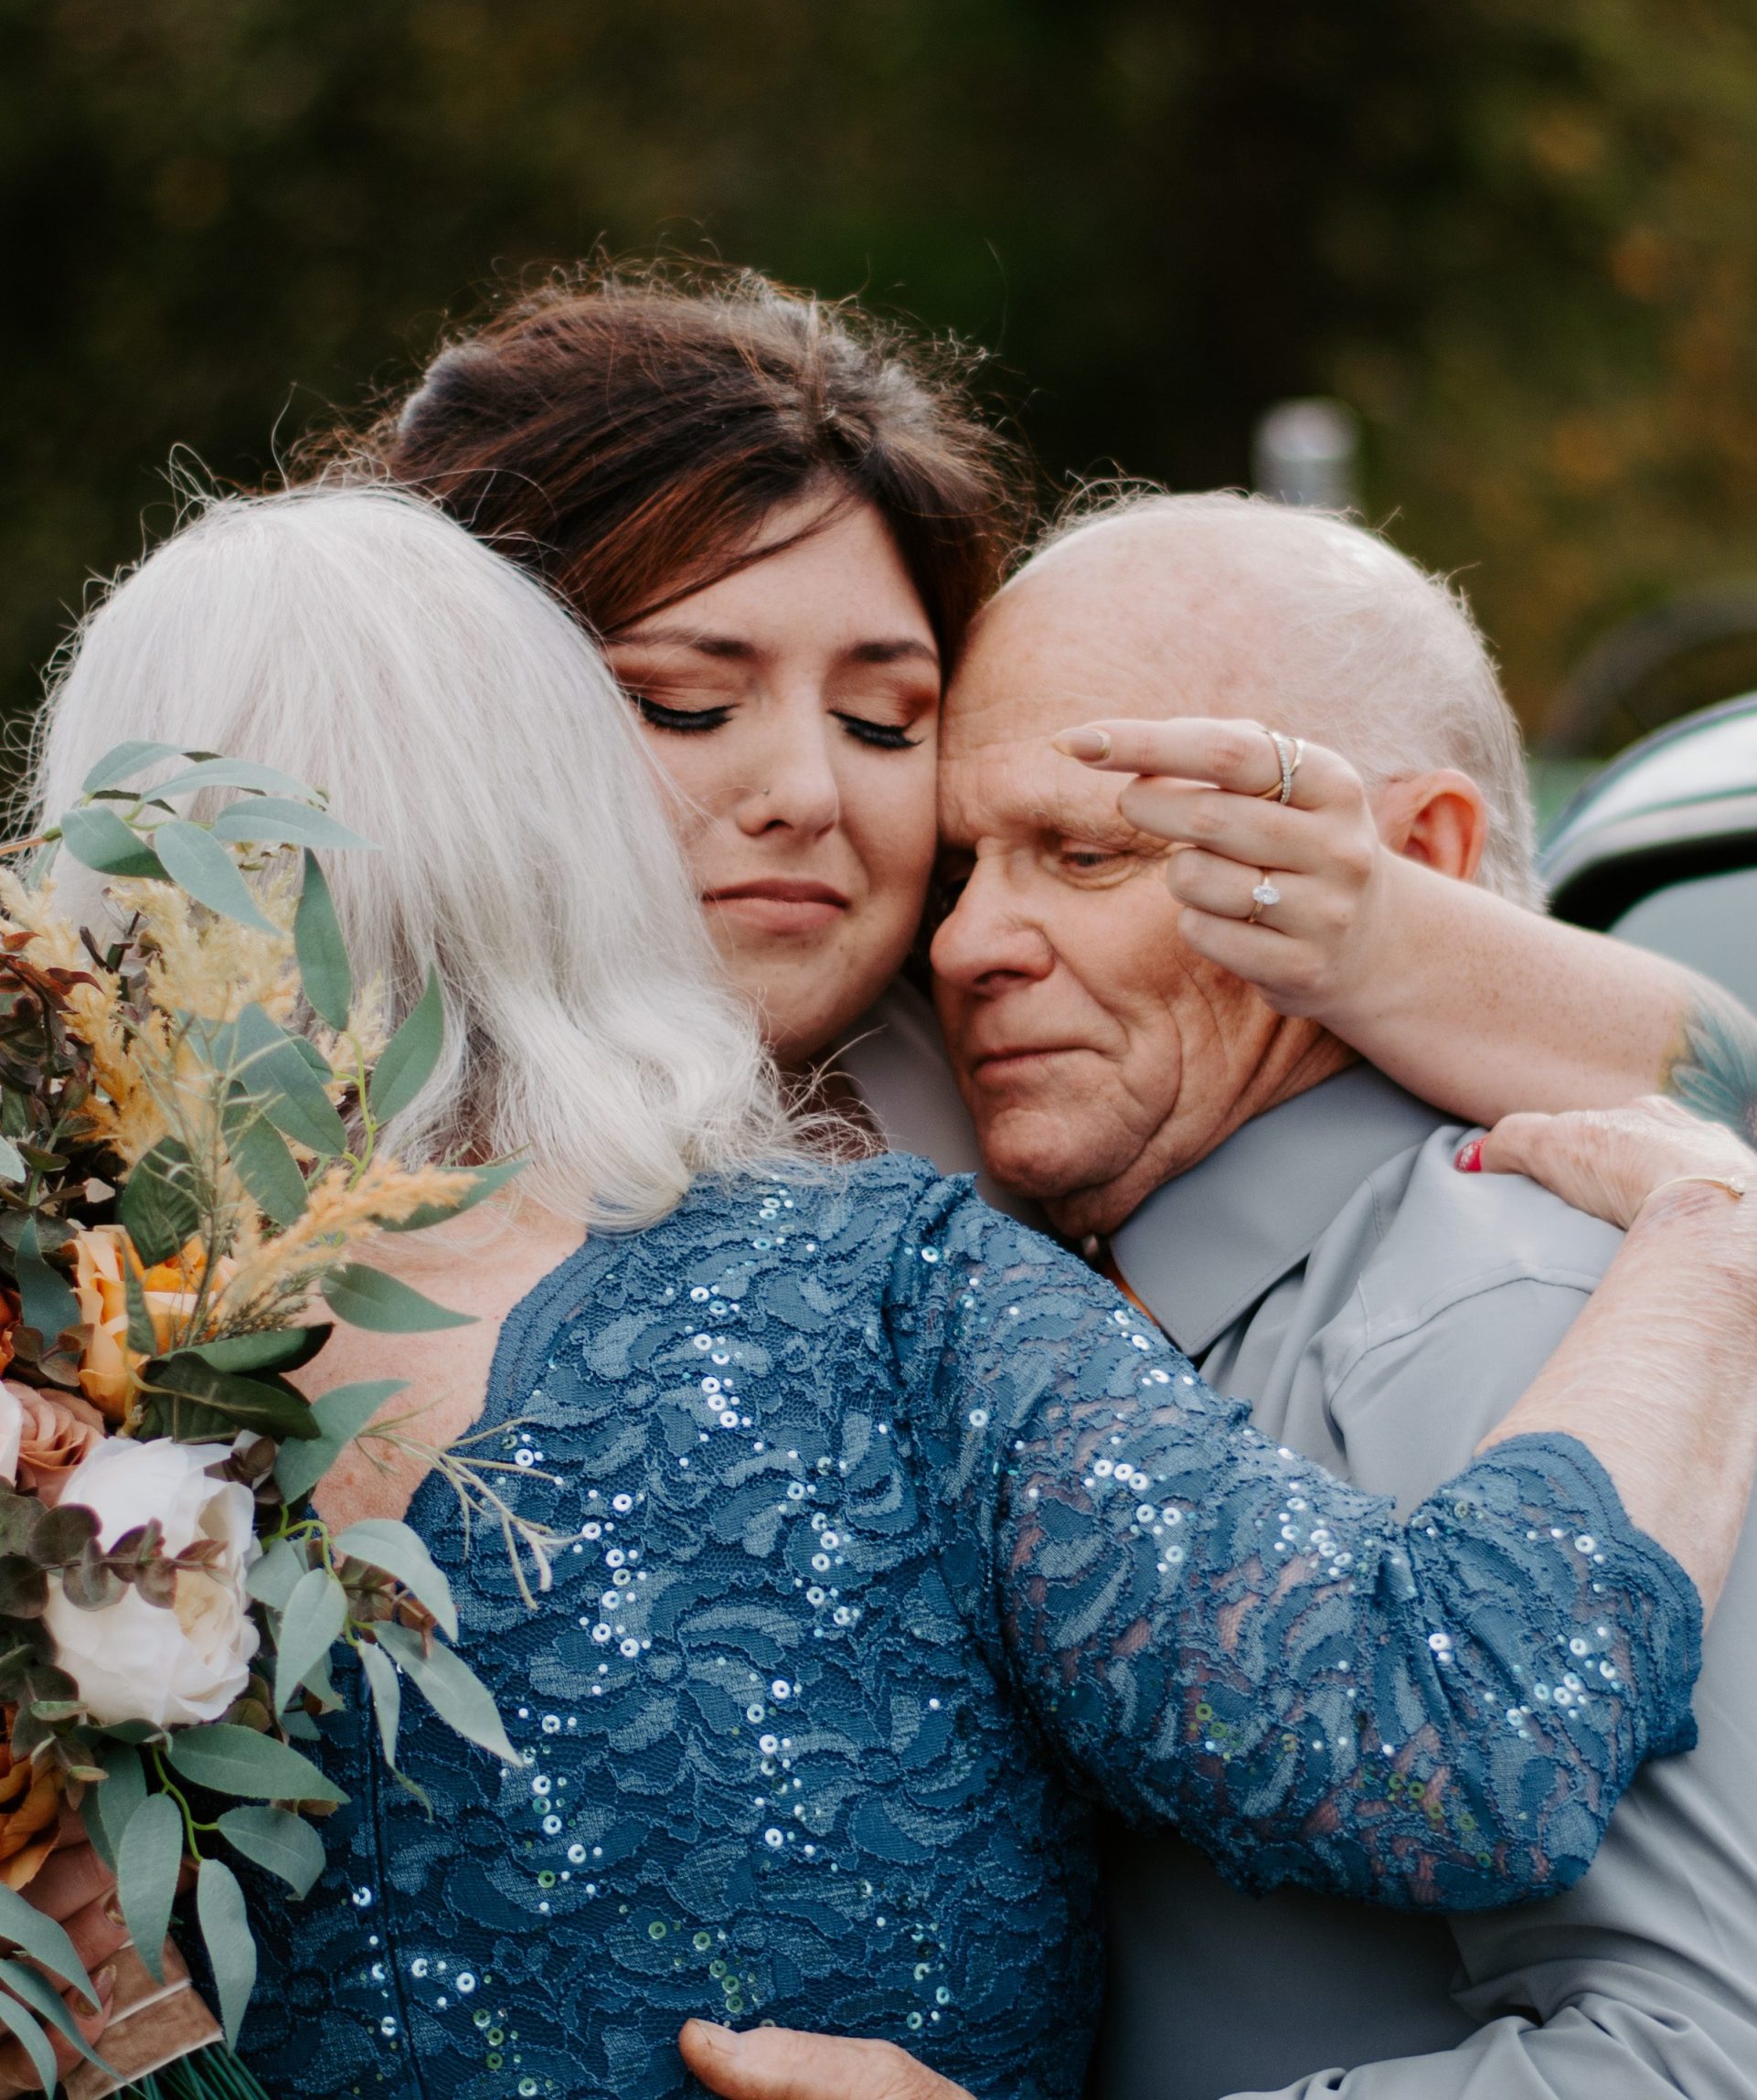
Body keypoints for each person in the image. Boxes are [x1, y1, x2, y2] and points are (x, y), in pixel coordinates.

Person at [20, 483, 1757, 2100]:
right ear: (579, 803)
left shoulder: (80, 1388)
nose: (959, 934)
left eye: (1071, 850)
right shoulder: (885, 1257)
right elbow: (1460, 1736)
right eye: (685, 709)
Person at [682, 492, 1757, 2100]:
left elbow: (1693, 2060)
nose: (968, 941)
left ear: (1419, 867)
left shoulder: (1511, 1310)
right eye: (963, 864)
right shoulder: (1012, 1261)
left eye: (1088, 851)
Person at [356, 261, 1752, 1161]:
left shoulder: (989, 1042)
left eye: (885, 722)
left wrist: (1377, 926)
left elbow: (1722, 1076)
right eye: (685, 703)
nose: (808, 790)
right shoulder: (219, 1128)